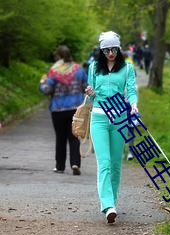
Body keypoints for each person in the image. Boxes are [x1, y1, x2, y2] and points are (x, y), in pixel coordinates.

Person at [85, 31, 138, 223]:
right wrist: (90, 92)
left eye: (114, 49)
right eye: (106, 50)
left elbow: (131, 90)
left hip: (119, 119)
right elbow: (91, 97)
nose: (110, 53)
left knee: (116, 164)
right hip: (98, 118)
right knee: (104, 163)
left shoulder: (127, 68)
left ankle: (112, 201)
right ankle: (107, 205)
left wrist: (133, 103)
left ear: (119, 48)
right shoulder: (93, 68)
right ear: (101, 50)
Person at [39, 45, 88, 175]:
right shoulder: (79, 70)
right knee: (74, 137)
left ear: (58, 57)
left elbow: (47, 90)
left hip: (58, 109)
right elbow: (86, 87)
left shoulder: (54, 71)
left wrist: (42, 83)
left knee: (60, 138)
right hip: (75, 109)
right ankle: (75, 163)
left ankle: (60, 166)